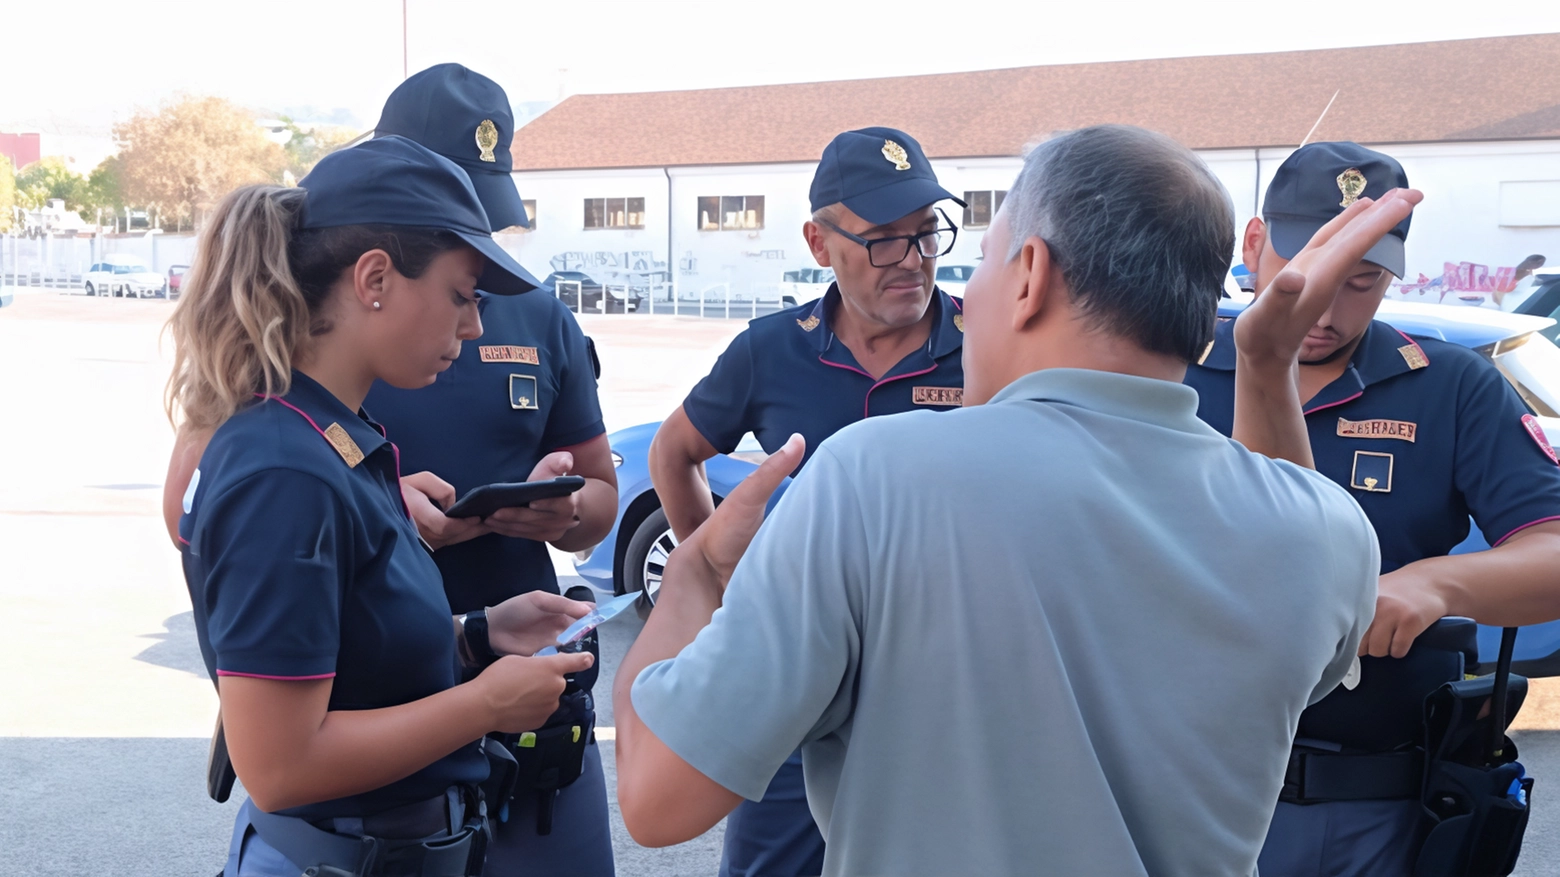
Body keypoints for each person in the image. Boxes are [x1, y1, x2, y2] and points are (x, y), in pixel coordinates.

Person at [614, 124, 1417, 875]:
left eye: (982, 258)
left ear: (1030, 276)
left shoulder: (872, 477)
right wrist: (1266, 365)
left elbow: (658, 800)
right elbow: (1292, 618)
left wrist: (692, 575)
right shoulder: (1330, 532)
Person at [169, 135, 595, 876]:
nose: (474, 326)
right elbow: (279, 764)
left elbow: (355, 655)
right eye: (462, 296)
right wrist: (486, 705)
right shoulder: (284, 469)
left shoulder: (331, 438)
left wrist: (477, 635)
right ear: (374, 278)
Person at [1184, 142, 1560, 876]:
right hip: (1197, 790)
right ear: (1254, 244)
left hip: (1376, 811)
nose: (1324, 304)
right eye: (1305, 271)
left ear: (1394, 276)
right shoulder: (1173, 368)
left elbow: (1550, 552)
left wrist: (1434, 584)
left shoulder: (1449, 385)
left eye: (1361, 279)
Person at [647, 125, 967, 877]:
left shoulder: (984, 342)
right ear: (820, 243)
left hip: (940, 684)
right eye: (885, 241)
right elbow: (673, 451)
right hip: (800, 684)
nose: (913, 260)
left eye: (927, 235)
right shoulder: (770, 349)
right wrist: (723, 581)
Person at [362, 63, 618, 877]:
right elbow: (196, 502)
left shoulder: (538, 311)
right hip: (382, 683)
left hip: (530, 684)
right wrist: (378, 504)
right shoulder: (322, 321)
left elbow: (601, 496)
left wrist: (561, 513)